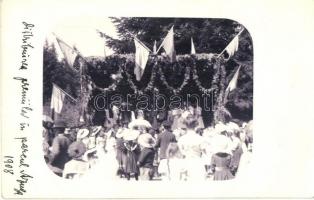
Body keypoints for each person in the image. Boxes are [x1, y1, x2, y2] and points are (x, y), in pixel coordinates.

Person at [177, 115, 206, 181]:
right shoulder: (200, 138)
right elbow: (205, 153)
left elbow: (180, 154)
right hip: (198, 163)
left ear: (186, 126)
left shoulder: (182, 139)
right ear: (196, 126)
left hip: (186, 162)